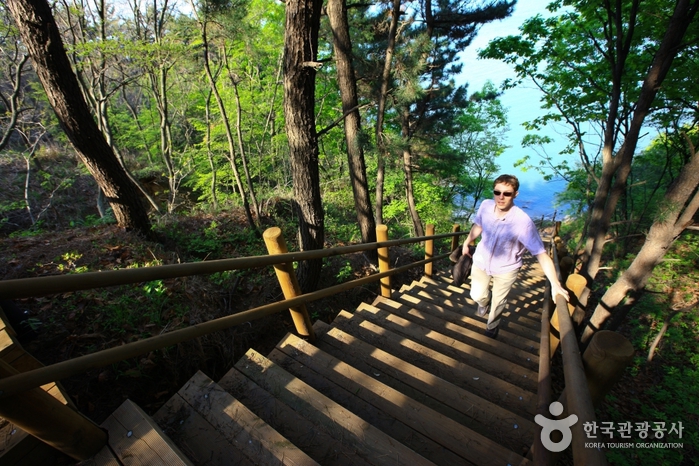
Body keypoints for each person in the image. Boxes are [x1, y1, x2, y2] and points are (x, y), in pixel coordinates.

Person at [461, 174, 569, 339]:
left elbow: (541, 253)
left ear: (515, 194)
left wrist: (555, 284)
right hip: (481, 261)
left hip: (506, 268)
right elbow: (478, 224)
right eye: (497, 192)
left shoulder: (523, 222)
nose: (501, 197)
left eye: (507, 193)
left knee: (499, 301)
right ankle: (483, 302)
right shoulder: (485, 205)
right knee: (476, 295)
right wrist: (468, 241)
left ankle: (492, 325)